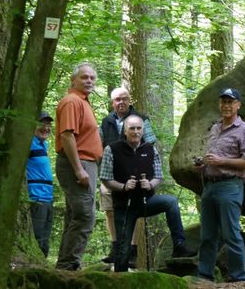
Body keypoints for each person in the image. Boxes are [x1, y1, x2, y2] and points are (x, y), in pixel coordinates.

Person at [99, 115, 196, 272]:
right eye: (132, 128)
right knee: (123, 254)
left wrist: (150, 184)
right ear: (125, 131)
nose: (136, 132)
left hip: (146, 202)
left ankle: (179, 245)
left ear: (143, 130)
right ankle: (120, 277)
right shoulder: (112, 149)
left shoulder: (150, 149)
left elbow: (159, 176)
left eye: (139, 128)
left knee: (170, 202)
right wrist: (123, 186)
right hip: (124, 206)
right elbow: (105, 179)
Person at [196, 87, 245, 282]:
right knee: (207, 235)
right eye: (223, 101)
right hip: (210, 186)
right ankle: (205, 276)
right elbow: (214, 158)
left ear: (238, 105)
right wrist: (204, 163)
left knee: (231, 233)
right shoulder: (215, 127)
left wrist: (221, 161)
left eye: (230, 102)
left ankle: (239, 278)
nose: (226, 105)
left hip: (230, 186)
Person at [99, 87, 157, 264]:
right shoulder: (107, 121)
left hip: (136, 173)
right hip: (111, 172)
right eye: (117, 99)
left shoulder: (141, 119)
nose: (121, 102)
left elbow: (150, 142)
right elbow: (99, 143)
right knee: (110, 210)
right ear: (112, 103)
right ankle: (116, 248)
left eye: (124, 98)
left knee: (133, 209)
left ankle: (131, 251)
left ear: (129, 100)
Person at [55, 63, 102, 270]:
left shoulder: (83, 102)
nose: (89, 81)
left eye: (92, 78)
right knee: (85, 215)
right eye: (84, 77)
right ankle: (69, 266)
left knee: (75, 215)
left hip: (86, 163)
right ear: (73, 80)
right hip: (78, 163)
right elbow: (67, 136)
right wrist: (78, 169)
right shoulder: (72, 102)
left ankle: (65, 264)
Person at [26, 111, 55, 257]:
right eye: (41, 124)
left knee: (45, 238)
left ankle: (42, 264)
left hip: (47, 198)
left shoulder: (43, 145)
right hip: (36, 197)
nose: (46, 128)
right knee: (37, 237)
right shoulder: (28, 143)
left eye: (48, 124)